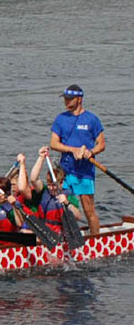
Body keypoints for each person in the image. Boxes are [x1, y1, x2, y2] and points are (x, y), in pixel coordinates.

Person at [50, 84, 104, 234]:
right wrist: (72, 149)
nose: (66, 102)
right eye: (65, 99)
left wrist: (90, 152)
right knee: (60, 206)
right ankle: (63, 236)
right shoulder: (60, 119)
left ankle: (96, 240)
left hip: (85, 172)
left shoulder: (92, 119)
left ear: (79, 99)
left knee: (88, 210)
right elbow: (53, 143)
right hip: (65, 172)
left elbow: (101, 144)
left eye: (69, 99)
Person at [24, 147, 84, 235]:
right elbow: (33, 179)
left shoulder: (69, 195)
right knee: (23, 233)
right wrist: (41, 158)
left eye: (54, 185)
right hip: (46, 231)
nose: (51, 188)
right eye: (49, 185)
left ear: (62, 183)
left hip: (61, 233)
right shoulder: (44, 191)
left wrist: (67, 203)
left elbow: (79, 216)